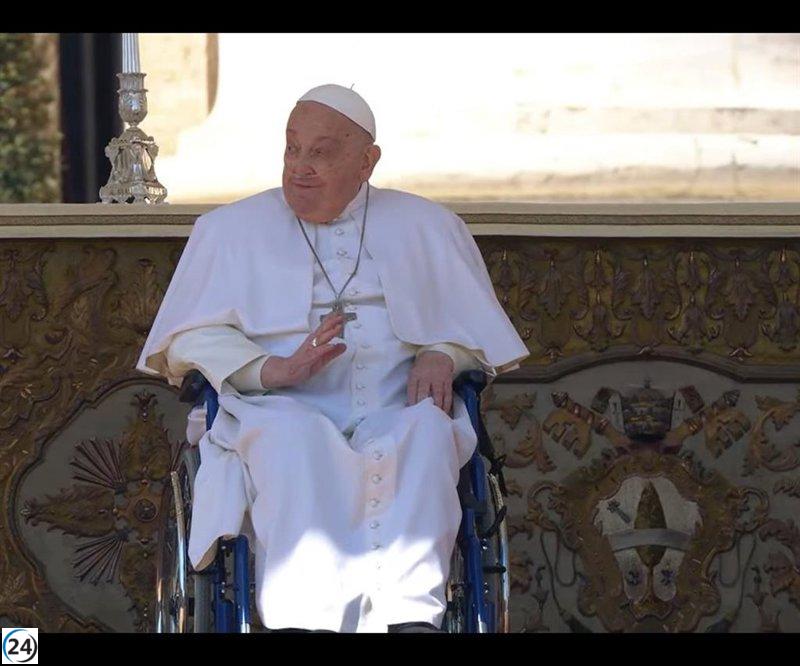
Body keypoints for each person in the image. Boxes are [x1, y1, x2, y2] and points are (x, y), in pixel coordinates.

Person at [137, 83, 529, 632]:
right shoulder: (228, 230)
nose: (299, 167)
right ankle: (304, 619)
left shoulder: (429, 226)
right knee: (292, 439)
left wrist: (442, 353)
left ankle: (410, 617)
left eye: (320, 153)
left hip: (396, 405)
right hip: (277, 406)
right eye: (292, 148)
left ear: (367, 162)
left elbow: (476, 332)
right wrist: (269, 370)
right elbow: (184, 339)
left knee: (427, 432)